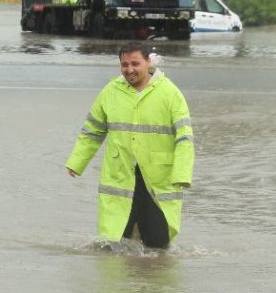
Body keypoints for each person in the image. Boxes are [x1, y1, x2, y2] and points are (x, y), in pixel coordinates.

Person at [65, 42, 195, 250]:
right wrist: (77, 162)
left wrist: (182, 174)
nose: (129, 69)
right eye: (124, 64)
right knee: (115, 245)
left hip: (157, 178)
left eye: (135, 63)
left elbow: (184, 137)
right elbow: (92, 130)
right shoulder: (110, 91)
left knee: (158, 247)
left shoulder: (170, 93)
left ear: (148, 63)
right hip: (120, 175)